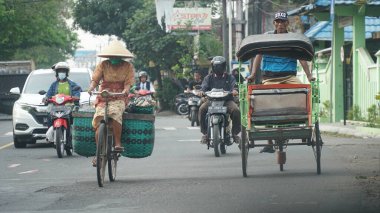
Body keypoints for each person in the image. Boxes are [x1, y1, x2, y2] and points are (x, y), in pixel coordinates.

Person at [246, 11, 315, 153]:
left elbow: (302, 58)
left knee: (305, 93)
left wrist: (309, 76)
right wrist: (253, 74)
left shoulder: (293, 39)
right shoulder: (267, 38)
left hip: (289, 77)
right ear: (274, 23)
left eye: (283, 22)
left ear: (287, 23)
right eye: (277, 21)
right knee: (263, 103)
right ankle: (269, 142)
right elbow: (258, 56)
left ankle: (305, 125)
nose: (280, 24)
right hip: (270, 78)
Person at [87, 40, 135, 166]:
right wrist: (91, 87)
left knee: (115, 113)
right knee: (99, 119)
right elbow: (95, 79)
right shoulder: (103, 65)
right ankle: (98, 154)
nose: (113, 58)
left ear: (120, 57)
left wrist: (126, 90)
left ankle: (117, 143)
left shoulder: (127, 66)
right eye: (112, 56)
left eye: (116, 56)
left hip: (119, 96)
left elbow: (129, 82)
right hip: (104, 95)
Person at [199, 56, 241, 144]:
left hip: (227, 101)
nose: (218, 68)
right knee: (202, 109)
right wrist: (202, 92)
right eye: (216, 66)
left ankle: (234, 134)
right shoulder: (208, 78)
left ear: (224, 67)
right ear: (213, 67)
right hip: (211, 101)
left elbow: (235, 87)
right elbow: (203, 88)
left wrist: (234, 91)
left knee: (236, 110)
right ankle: (205, 134)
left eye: (220, 66)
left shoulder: (230, 77)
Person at [44, 62, 82, 142]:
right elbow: (48, 95)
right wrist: (46, 99)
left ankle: (73, 134)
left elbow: (77, 91)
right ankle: (50, 133)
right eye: (60, 71)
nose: (61, 73)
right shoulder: (54, 85)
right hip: (56, 107)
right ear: (57, 73)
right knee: (48, 112)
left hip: (69, 107)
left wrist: (76, 97)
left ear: (67, 73)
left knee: (74, 118)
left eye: (63, 71)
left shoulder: (72, 84)